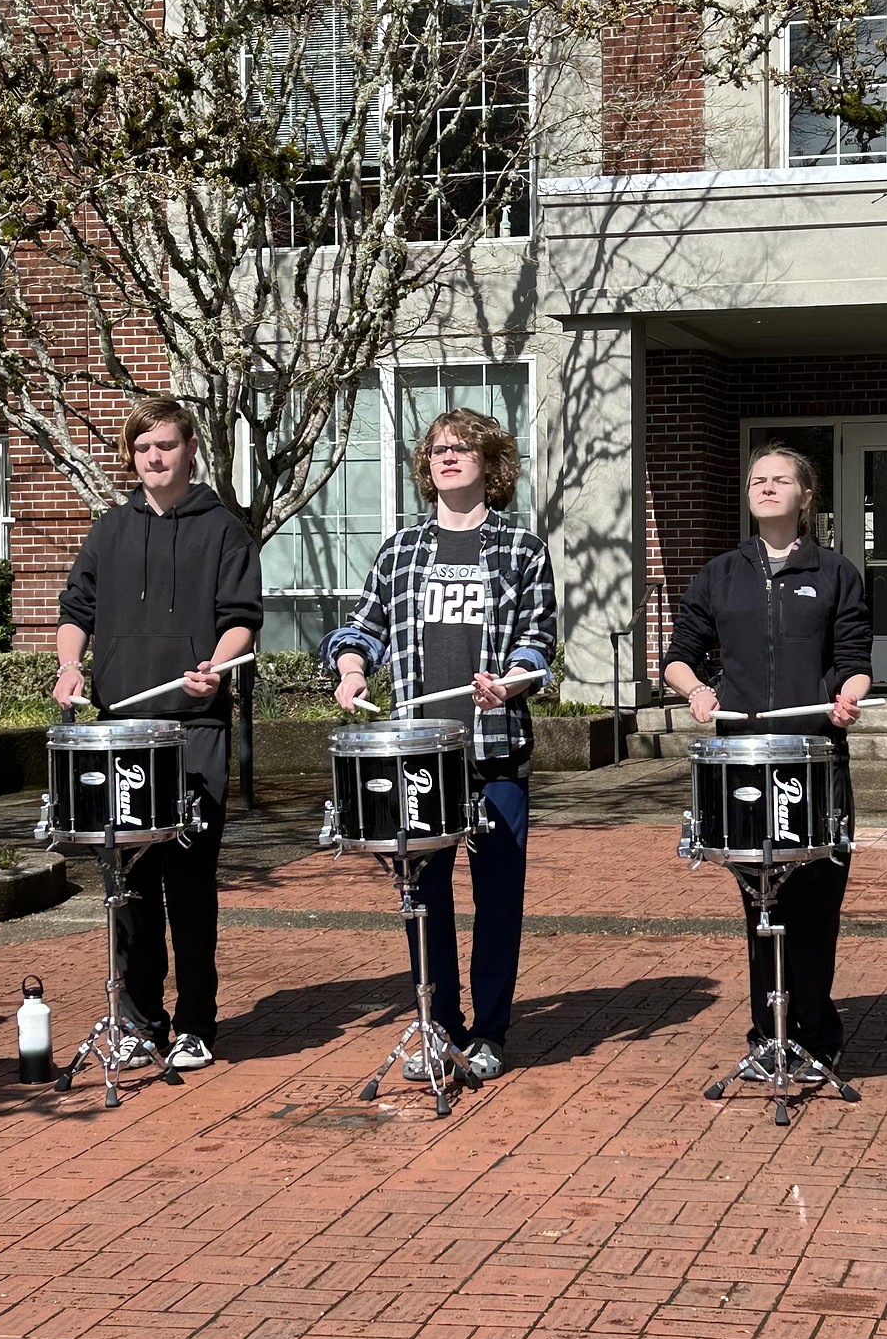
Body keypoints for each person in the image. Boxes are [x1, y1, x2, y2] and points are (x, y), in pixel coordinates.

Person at [320, 407, 556, 1081]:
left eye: (460, 449)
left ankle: (488, 1031)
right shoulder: (400, 550)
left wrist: (511, 684)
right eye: (436, 451)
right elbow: (361, 627)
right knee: (423, 899)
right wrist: (353, 668)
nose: (446, 458)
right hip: (419, 756)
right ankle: (437, 1025)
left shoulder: (522, 550)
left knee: (498, 899)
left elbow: (536, 645)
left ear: (490, 463)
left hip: (496, 751)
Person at [52, 396, 262, 1070]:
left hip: (194, 729)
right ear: (132, 455)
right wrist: (67, 664)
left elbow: (241, 618)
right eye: (143, 448)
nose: (154, 458)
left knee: (190, 882)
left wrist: (217, 666)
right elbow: (75, 609)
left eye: (165, 445)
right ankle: (141, 1021)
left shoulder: (223, 530)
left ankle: (198, 1022)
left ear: (189, 448)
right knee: (130, 886)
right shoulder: (110, 530)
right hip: (124, 731)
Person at [662, 443, 873, 1081]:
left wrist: (847, 699)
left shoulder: (836, 573)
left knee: (816, 900)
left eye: (782, 480)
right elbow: (681, 653)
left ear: (807, 497)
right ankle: (768, 1032)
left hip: (815, 758)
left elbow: (855, 660)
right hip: (742, 761)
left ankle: (814, 1030)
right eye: (758, 479)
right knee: (762, 904)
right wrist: (696, 690)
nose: (768, 487)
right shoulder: (720, 574)